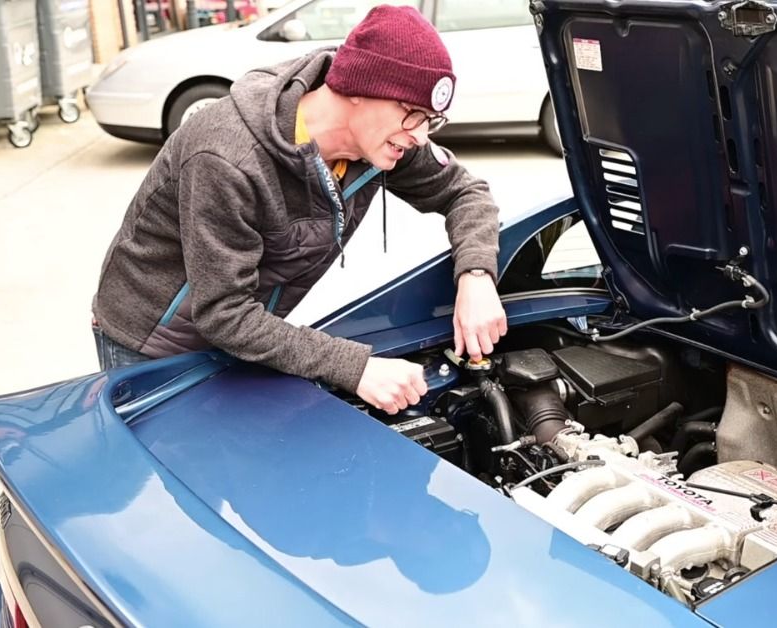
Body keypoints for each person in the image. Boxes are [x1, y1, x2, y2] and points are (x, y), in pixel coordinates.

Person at [90, 5, 507, 415]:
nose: (419, 136)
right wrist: (355, 367)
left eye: (431, 120)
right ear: (359, 89)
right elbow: (224, 313)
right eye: (412, 113)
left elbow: (466, 192)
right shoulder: (228, 156)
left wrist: (475, 274)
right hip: (154, 345)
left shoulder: (385, 142)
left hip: (243, 329)